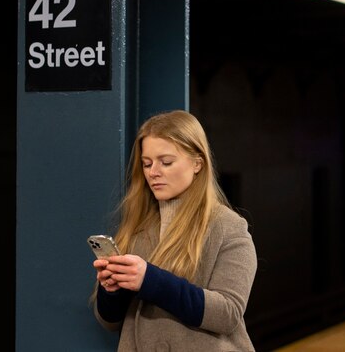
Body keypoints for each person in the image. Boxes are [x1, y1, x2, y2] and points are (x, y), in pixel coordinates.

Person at [91, 109, 258, 351]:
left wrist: (149, 279)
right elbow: (109, 322)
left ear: (197, 163)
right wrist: (113, 291)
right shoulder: (137, 228)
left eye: (166, 162)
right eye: (147, 163)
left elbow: (228, 313)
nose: (153, 172)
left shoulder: (228, 227)